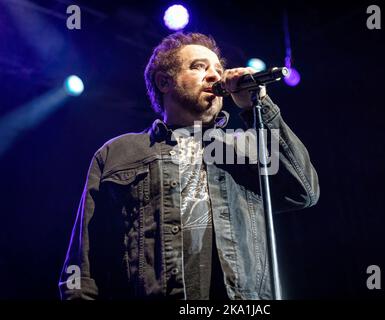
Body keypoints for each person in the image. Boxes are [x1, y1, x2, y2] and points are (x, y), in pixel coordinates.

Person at [59, 32, 319, 300]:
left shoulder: (247, 146)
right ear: (164, 82)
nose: (215, 77)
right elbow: (83, 267)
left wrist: (258, 107)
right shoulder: (118, 153)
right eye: (198, 67)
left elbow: (303, 191)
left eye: (219, 70)